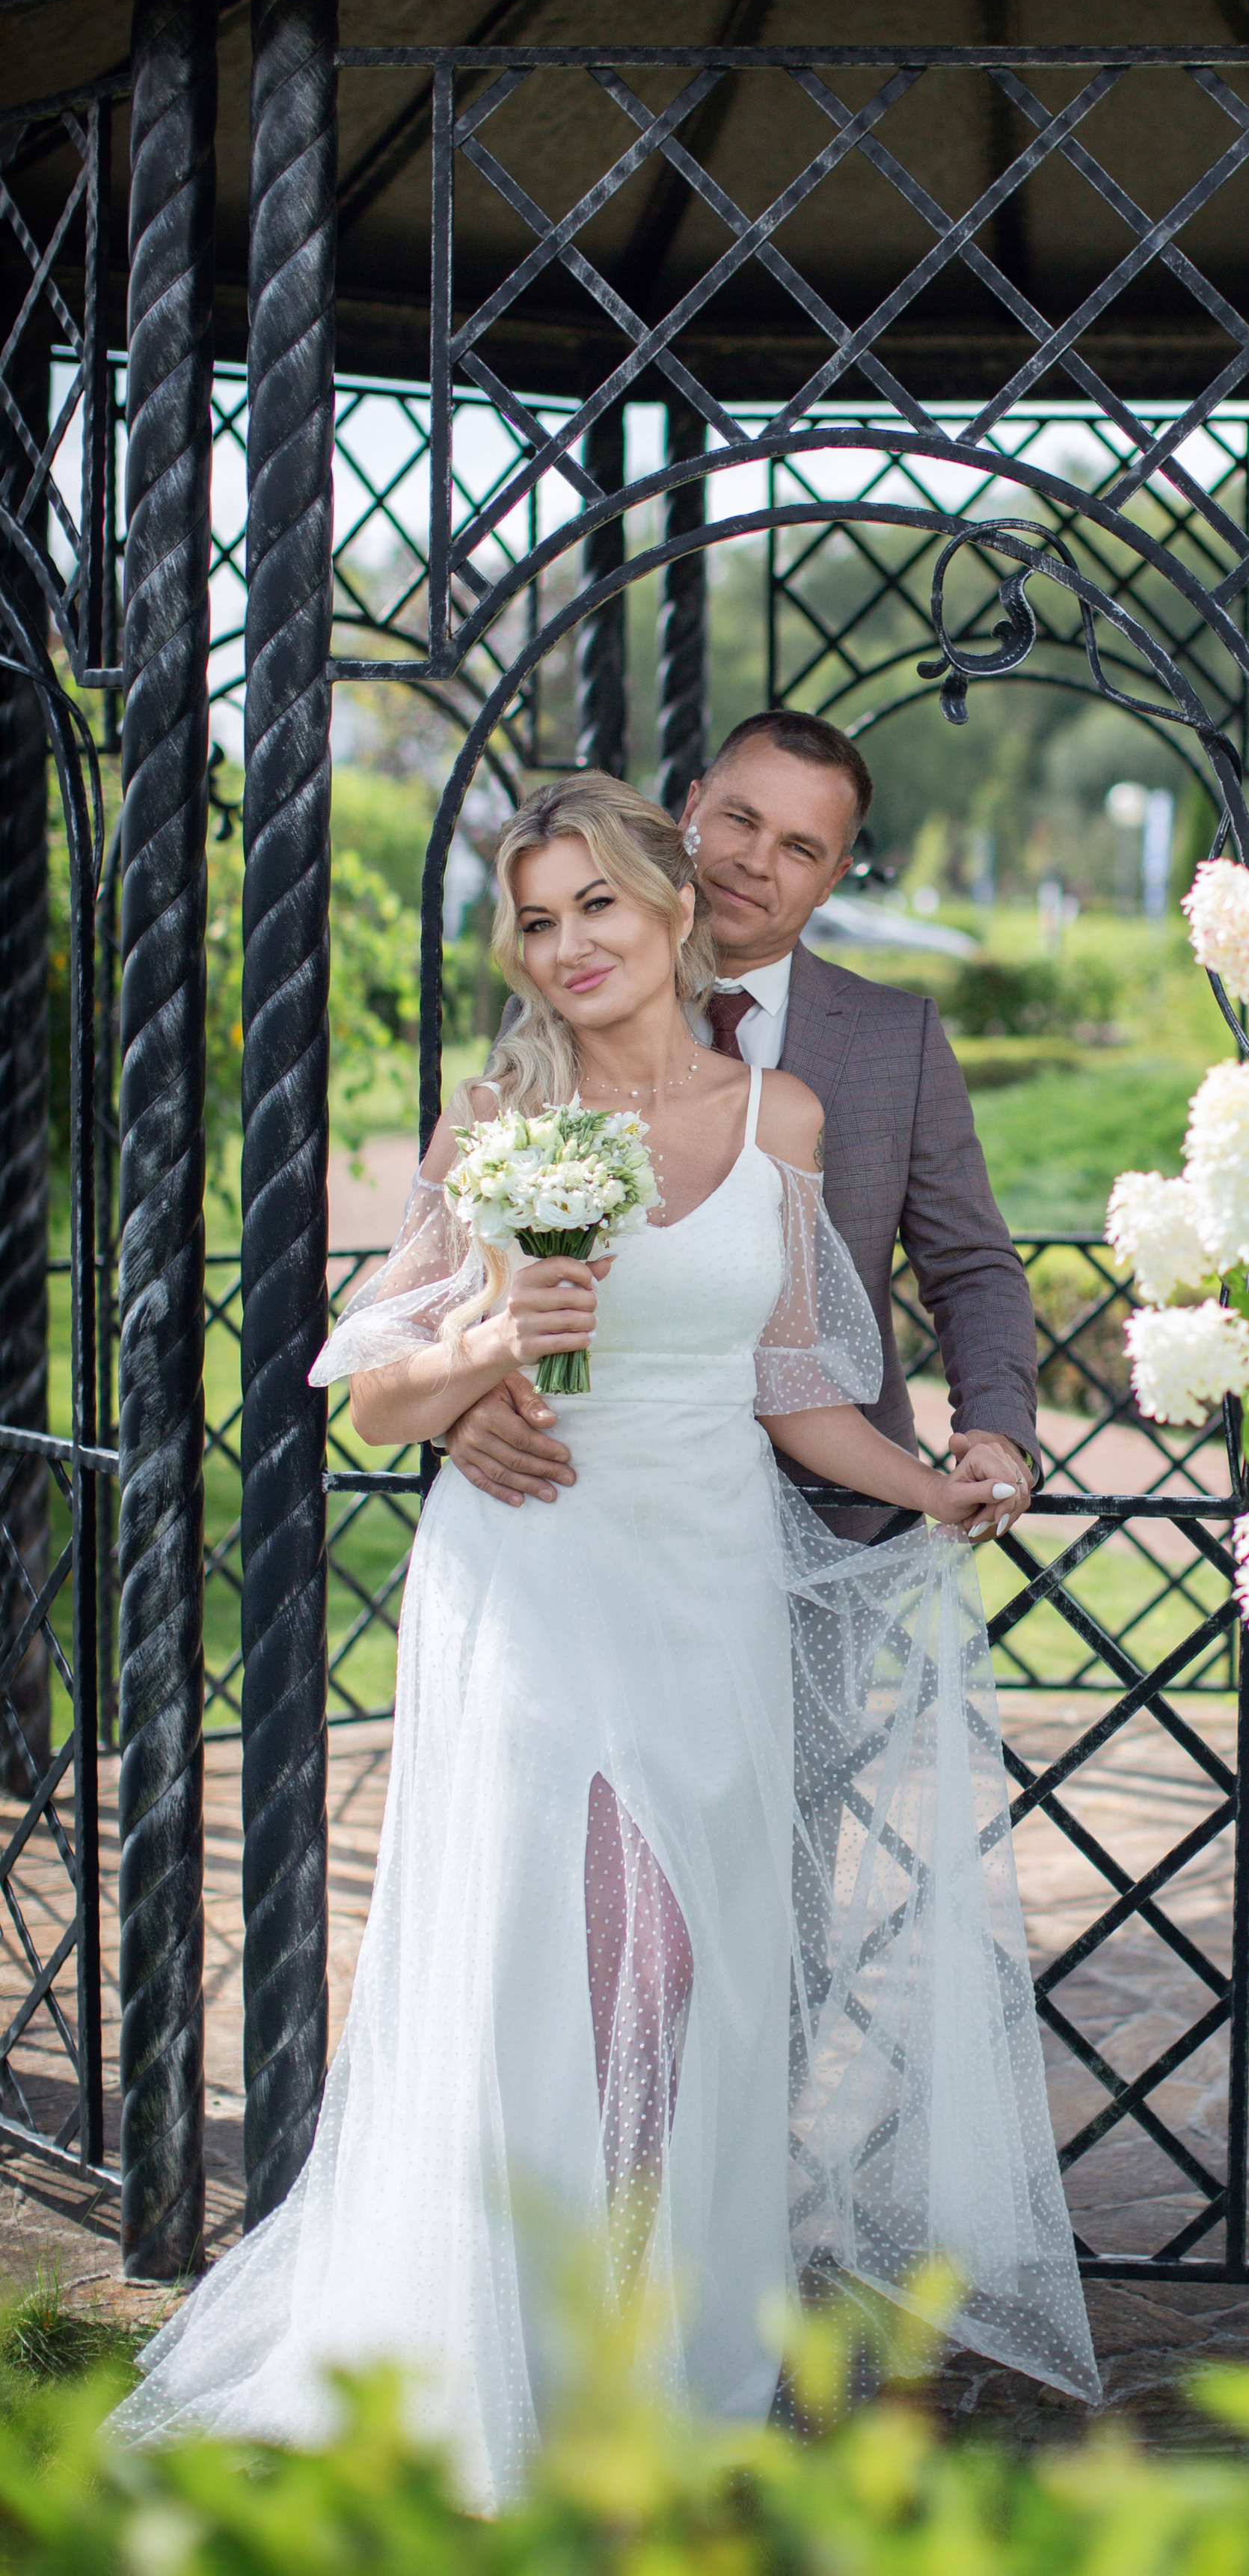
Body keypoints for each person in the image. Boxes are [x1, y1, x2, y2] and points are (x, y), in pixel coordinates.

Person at [112, 777, 1096, 2506]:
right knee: (581, 1959)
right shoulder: (498, 1113)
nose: (566, 946)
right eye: (539, 919)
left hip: (710, 1575)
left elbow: (792, 1377)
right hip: (539, 1573)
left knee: (692, 1967)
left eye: (599, 911)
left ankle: (648, 2343)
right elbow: (370, 1401)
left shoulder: (778, 1114)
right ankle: (526, 2346)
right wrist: (492, 1330)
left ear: (671, 913)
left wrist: (934, 1478)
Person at [440, 712, 1039, 1540]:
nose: (754, 861)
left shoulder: (896, 1040)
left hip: (838, 1504)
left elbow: (970, 1264)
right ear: (690, 808)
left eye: (798, 848)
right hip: (572, 1491)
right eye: (740, 819)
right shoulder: (555, 1007)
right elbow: (467, 1254)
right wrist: (461, 1402)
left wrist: (1000, 1436)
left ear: (832, 878)